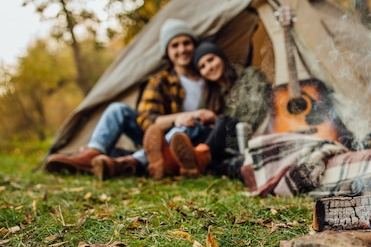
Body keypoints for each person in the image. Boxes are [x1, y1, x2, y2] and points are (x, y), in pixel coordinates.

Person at [43, 18, 211, 179]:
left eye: (186, 43)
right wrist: (177, 118)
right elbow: (147, 120)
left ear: (194, 45)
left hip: (188, 139)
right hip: (155, 137)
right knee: (117, 109)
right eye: (175, 45)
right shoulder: (160, 81)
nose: (182, 50)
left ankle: (129, 163)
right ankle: (91, 154)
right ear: (167, 51)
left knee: (188, 127)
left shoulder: (209, 77)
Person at [142, 39, 272, 180]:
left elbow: (255, 112)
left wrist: (217, 120)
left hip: (248, 133)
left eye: (211, 60)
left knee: (222, 121)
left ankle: (199, 158)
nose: (208, 67)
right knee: (199, 127)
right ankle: (174, 160)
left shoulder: (249, 75)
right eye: (202, 66)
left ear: (221, 57)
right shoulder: (211, 93)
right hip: (224, 143)